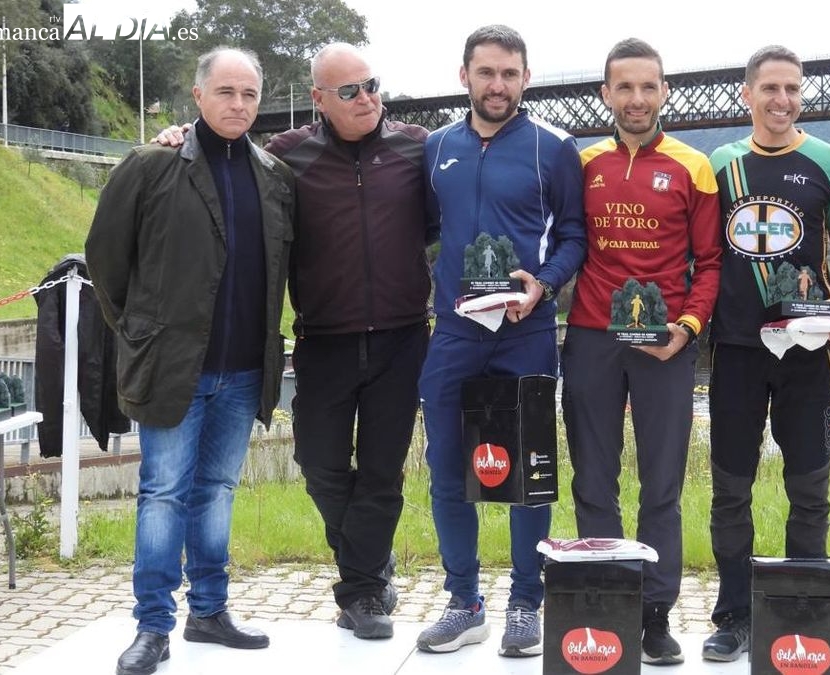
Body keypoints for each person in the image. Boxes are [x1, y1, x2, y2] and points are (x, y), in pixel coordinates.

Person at [153, 43, 433, 641]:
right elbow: (223, 160)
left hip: (403, 338)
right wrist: (178, 137)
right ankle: (370, 560)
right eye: (350, 90)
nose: (367, 98)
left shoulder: (417, 148)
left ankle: (362, 592)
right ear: (318, 99)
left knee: (382, 473)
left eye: (372, 84)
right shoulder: (285, 157)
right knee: (320, 463)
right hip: (324, 340)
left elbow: (448, 217)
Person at [85, 47, 295, 675]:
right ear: (199, 96)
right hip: (173, 367)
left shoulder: (275, 177)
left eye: (249, 94)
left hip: (245, 369)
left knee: (217, 492)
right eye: (226, 92)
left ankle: (209, 610)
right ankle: (153, 627)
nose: (238, 104)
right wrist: (138, 333)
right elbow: (105, 259)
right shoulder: (152, 165)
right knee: (163, 494)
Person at [416, 24, 586, 658]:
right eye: (486, 72)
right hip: (455, 331)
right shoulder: (436, 147)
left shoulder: (554, 147)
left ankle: (524, 603)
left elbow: (574, 236)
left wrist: (545, 283)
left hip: (526, 330)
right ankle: (464, 603)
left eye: (510, 74)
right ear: (464, 76)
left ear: (526, 78)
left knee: (529, 472)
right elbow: (426, 228)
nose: (498, 85)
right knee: (444, 466)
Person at [561, 37, 721, 666]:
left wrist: (686, 328)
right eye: (624, 87)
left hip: (664, 342)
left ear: (663, 92)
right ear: (606, 93)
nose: (636, 98)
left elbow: (710, 262)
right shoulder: (582, 164)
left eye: (647, 86)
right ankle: (607, 600)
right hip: (591, 335)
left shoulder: (693, 166)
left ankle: (655, 615)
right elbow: (564, 240)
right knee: (592, 480)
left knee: (662, 485)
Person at [702, 44, 830, 663]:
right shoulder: (722, 164)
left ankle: (801, 613)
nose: (782, 100)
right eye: (770, 88)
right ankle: (734, 616)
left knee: (810, 489)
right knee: (730, 490)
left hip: (806, 353)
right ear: (747, 94)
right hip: (737, 350)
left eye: (793, 88)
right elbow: (704, 255)